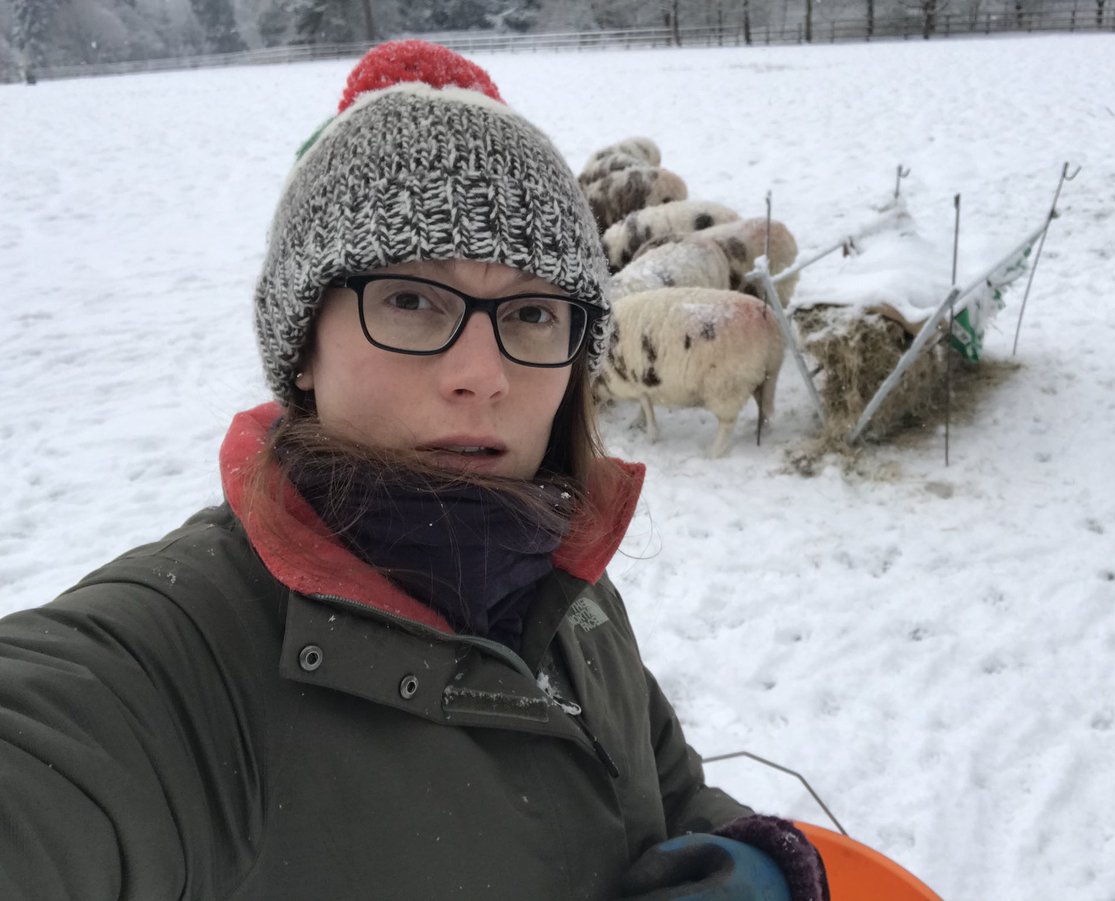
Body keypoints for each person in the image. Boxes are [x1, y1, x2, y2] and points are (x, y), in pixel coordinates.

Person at [0, 41, 828, 901]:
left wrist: (749, 864)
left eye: (533, 312)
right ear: (304, 348)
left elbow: (666, 789)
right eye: (409, 299)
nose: (482, 373)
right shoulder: (180, 671)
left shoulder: (566, 581)